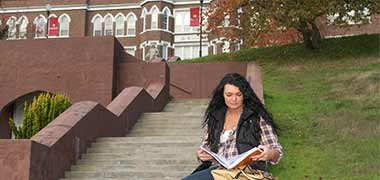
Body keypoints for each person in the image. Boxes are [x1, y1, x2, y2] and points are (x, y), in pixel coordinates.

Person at [182, 73, 282, 180]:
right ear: (222, 95)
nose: (234, 99)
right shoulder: (215, 117)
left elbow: (277, 152)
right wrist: (202, 155)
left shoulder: (257, 118)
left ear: (245, 95)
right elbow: (206, 146)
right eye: (229, 95)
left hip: (248, 173)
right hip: (220, 171)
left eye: (238, 95)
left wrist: (270, 154)